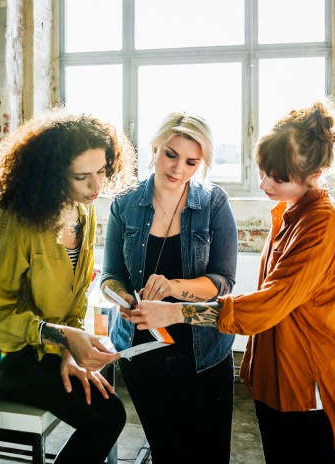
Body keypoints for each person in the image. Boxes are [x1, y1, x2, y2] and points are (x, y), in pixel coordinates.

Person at [130, 101, 335, 463]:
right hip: (275, 378)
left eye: (277, 178)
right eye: (262, 171)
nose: (264, 184)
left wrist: (174, 313)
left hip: (305, 385)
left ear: (316, 173)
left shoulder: (322, 222)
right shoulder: (291, 211)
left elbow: (269, 304)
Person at [0, 110, 137, 464]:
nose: (96, 187)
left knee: (108, 416)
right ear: (51, 175)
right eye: (82, 176)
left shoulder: (84, 211)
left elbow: (75, 295)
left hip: (25, 346)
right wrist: (62, 336)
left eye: (102, 171)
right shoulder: (15, 219)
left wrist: (69, 348)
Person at [100, 112, 237, 464]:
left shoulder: (213, 204)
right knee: (168, 450)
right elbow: (110, 276)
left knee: (209, 452)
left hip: (204, 351)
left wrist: (174, 285)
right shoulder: (124, 204)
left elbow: (223, 282)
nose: (178, 169)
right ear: (155, 147)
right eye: (171, 155)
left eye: (192, 162)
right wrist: (126, 299)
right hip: (141, 349)